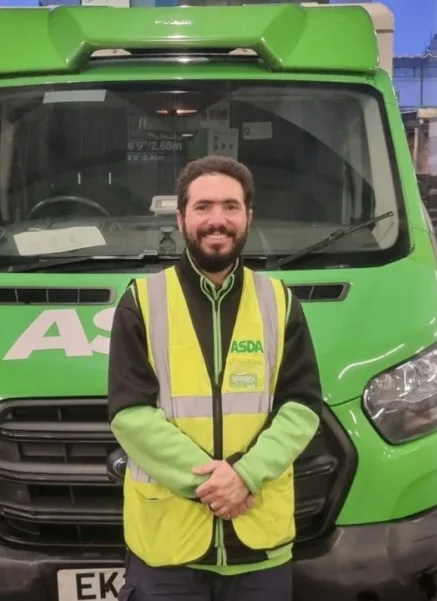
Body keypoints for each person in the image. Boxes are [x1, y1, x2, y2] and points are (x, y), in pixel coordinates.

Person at [106, 155, 324, 601]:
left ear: (248, 216)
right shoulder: (141, 302)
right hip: (169, 551)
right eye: (203, 207)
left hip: (259, 544)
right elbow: (130, 414)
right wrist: (215, 486)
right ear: (182, 216)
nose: (217, 220)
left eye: (230, 206)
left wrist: (244, 476)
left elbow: (301, 406)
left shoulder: (280, 304)